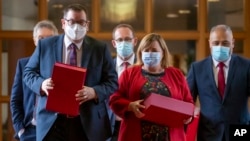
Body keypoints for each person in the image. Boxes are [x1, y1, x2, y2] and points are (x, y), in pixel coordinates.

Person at [23, 3, 118, 141]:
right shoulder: (46, 45)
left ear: (87, 25)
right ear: (63, 23)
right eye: (72, 22)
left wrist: (94, 92)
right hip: (52, 122)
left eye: (81, 22)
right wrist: (42, 84)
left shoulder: (100, 49)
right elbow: (28, 73)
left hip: (87, 123)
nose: (76, 27)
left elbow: (112, 82)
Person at [109, 33, 194, 141]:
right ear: (140, 53)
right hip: (135, 134)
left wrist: (188, 116)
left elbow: (189, 102)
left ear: (163, 53)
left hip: (170, 136)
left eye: (154, 50)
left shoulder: (176, 75)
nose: (150, 53)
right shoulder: (129, 73)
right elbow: (114, 99)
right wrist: (130, 105)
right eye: (146, 50)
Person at [186, 24, 250, 141]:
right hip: (209, 133)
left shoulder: (246, 66)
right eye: (216, 43)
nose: (220, 47)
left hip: (240, 132)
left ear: (233, 43)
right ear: (210, 43)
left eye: (225, 43)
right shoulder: (197, 68)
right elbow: (187, 100)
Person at [10, 20, 58, 141]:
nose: (44, 41)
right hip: (29, 131)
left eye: (49, 38)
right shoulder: (23, 64)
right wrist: (20, 130)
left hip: (54, 131)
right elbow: (15, 100)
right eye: (41, 38)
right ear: (35, 40)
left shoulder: (61, 66)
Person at [108, 23, 138, 141]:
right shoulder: (107, 67)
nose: (123, 43)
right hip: (112, 125)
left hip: (136, 124)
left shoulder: (143, 67)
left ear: (134, 41)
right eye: (120, 40)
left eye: (127, 39)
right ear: (114, 43)